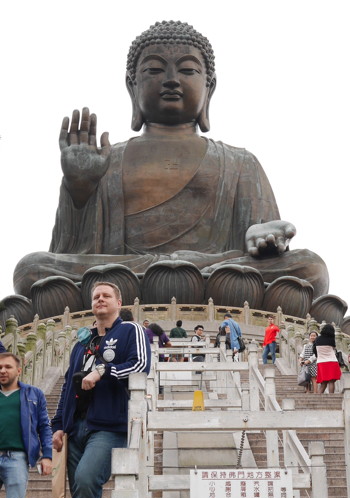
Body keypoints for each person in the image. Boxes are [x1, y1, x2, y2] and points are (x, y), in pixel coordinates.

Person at [14, 20, 330, 314]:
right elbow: (73, 251)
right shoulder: (108, 160)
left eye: (188, 70)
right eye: (153, 69)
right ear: (131, 86)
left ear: (210, 88)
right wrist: (79, 192)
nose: (171, 80)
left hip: (216, 271)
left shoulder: (240, 162)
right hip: (128, 273)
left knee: (310, 267)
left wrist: (263, 235)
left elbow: (261, 244)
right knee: (31, 269)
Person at [51, 282, 151, 498]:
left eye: (107, 295)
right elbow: (69, 386)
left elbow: (142, 365)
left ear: (119, 302)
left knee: (85, 480)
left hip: (109, 425)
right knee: (86, 493)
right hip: (76, 427)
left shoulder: (130, 330)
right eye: (96, 296)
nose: (100, 300)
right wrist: (58, 425)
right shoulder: (82, 343)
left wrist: (104, 371)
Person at [0, 353, 52, 498]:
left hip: (17, 458)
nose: (3, 371)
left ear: (18, 370)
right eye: (0, 367)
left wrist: (47, 455)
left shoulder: (33, 394)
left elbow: (44, 426)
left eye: (8, 367)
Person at [308, 324, 341, 394]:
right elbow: (334, 349)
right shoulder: (331, 339)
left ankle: (318, 399)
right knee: (331, 381)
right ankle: (331, 397)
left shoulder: (317, 339)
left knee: (323, 383)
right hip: (332, 361)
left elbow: (314, 350)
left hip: (321, 362)